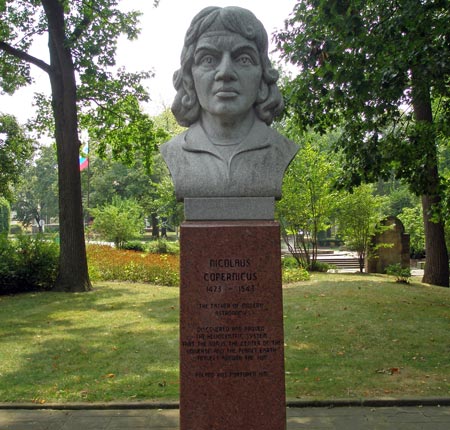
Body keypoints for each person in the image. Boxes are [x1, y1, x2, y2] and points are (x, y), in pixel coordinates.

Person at [160, 6, 298, 201]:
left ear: (262, 77)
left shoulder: (281, 149)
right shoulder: (174, 151)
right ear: (190, 76)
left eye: (243, 59)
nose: (225, 73)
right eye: (208, 59)